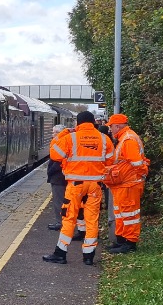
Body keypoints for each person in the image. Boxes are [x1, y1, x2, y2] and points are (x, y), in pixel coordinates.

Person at [42, 111, 114, 266]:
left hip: (75, 185)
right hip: (95, 186)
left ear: (78, 123)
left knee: (69, 218)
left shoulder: (70, 138)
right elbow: (110, 160)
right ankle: (88, 256)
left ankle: (60, 253)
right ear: (93, 122)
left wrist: (62, 134)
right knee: (91, 220)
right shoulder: (104, 139)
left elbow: (54, 154)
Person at [103, 113, 148, 253]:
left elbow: (138, 164)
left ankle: (130, 243)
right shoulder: (126, 138)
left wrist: (140, 175)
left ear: (117, 126)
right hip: (124, 184)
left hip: (129, 184)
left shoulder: (128, 140)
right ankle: (122, 240)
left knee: (129, 215)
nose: (110, 130)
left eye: (111, 127)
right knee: (122, 214)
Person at [46, 125, 68, 230]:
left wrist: (50, 172)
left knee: (59, 201)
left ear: (59, 133)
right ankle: (63, 222)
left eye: (54, 132)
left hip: (59, 177)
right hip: (64, 176)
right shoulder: (67, 142)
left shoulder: (59, 144)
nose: (52, 134)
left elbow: (58, 162)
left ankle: (60, 222)